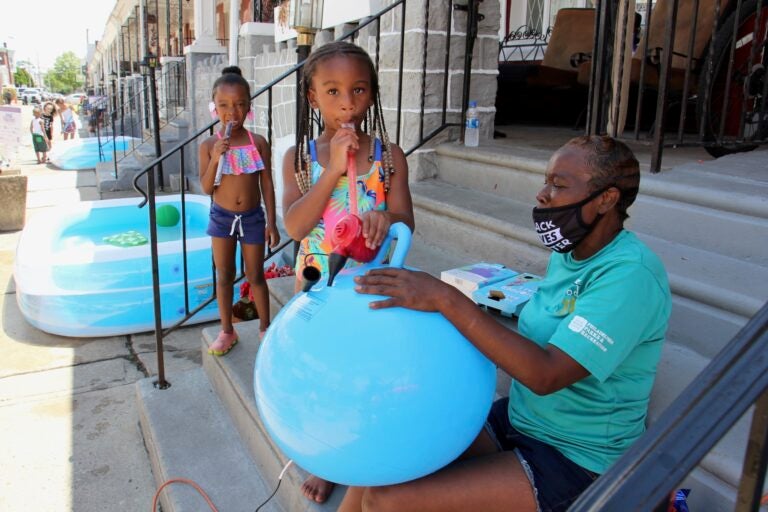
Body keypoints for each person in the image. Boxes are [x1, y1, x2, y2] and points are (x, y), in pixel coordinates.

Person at [339, 135, 672, 512]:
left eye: (559, 185)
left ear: (606, 199)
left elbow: (546, 374)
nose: (543, 195)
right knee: (383, 451)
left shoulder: (631, 276)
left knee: (388, 500)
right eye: (546, 181)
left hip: (579, 459)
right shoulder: (570, 254)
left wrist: (445, 299)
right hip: (523, 421)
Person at [281, 40, 415, 503]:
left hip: (369, 285)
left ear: (372, 95)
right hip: (317, 287)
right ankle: (323, 457)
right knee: (321, 374)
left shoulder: (389, 157)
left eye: (358, 91)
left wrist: (387, 220)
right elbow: (297, 226)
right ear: (312, 97)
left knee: (364, 375)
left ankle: (356, 455)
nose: (347, 103)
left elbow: (405, 221)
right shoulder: (298, 158)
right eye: (333, 91)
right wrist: (334, 168)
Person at [199, 66, 280, 355]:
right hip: (222, 218)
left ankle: (265, 328)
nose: (231, 111)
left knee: (255, 274)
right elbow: (207, 188)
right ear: (214, 108)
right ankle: (226, 331)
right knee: (223, 274)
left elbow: (267, 184)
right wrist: (216, 158)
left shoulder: (257, 143)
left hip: (252, 218)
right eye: (224, 105)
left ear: (248, 106)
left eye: (239, 104)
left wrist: (272, 222)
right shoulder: (209, 145)